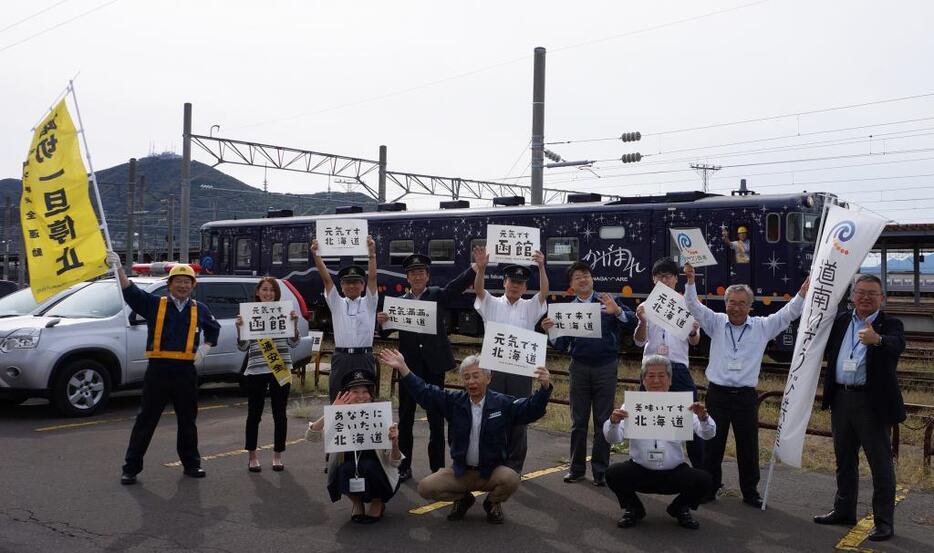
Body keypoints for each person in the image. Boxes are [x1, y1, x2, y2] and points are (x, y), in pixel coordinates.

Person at [683, 262, 809, 508]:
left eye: (742, 303)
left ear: (750, 306)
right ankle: (709, 488)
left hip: (745, 397)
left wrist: (802, 294)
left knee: (748, 446)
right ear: (725, 302)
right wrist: (690, 282)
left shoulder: (762, 326)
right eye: (732, 302)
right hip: (717, 395)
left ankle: (750, 491)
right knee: (713, 445)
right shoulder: (716, 322)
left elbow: (788, 314)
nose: (736, 307)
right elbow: (692, 306)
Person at [379, 349, 552, 524]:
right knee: (425, 488)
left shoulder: (502, 403)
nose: (471, 381)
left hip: (491, 472)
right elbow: (425, 393)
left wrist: (544, 388)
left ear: (488, 378)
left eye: (476, 376)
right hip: (461, 472)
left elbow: (530, 409)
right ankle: (463, 498)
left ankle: (492, 502)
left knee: (511, 479)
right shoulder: (454, 402)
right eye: (467, 377)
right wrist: (403, 367)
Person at [107, 251, 221, 485]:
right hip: (158, 370)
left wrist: (205, 349)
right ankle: (130, 468)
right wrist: (118, 268)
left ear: (193, 286)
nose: (182, 285)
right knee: (146, 419)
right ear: (170, 284)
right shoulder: (154, 304)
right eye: (178, 281)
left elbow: (214, 329)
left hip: (186, 371)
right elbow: (130, 292)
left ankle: (192, 464)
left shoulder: (200, 309)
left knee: (188, 420)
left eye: (187, 282)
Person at [813, 274, 906, 542]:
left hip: (872, 404)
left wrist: (878, 340)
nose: (865, 297)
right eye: (860, 292)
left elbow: (898, 344)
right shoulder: (842, 320)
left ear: (882, 298)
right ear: (852, 296)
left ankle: (884, 522)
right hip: (842, 399)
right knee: (844, 460)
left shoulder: (890, 324)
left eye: (872, 293)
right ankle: (843, 510)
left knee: (880, 465)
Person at [376, 252, 478, 482]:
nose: (417, 276)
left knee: (435, 418)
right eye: (413, 273)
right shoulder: (398, 302)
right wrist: (381, 322)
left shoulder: (437, 295)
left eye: (421, 272)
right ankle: (404, 465)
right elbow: (385, 331)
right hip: (408, 367)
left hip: (434, 365)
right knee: (406, 417)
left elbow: (457, 286)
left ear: (427, 276)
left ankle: (437, 468)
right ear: (408, 278)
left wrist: (475, 268)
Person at [540, 260, 636, 487]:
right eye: (577, 277)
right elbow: (562, 346)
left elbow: (633, 322)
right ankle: (576, 469)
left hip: (606, 366)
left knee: (604, 420)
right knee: (578, 420)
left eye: (586, 275)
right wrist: (550, 331)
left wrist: (619, 311)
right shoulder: (567, 310)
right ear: (571, 285)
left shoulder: (607, 301)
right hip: (579, 367)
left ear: (592, 279)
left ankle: (601, 471)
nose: (583, 279)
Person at [604, 355, 716, 530]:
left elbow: (708, 433)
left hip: (673, 472)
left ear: (670, 380)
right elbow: (613, 438)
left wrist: (703, 417)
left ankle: (679, 508)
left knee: (705, 480)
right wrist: (613, 421)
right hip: (640, 470)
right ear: (643, 380)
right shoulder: (633, 405)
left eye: (662, 376)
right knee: (613, 473)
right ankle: (634, 508)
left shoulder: (681, 406)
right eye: (651, 376)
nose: (656, 380)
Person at [472, 245, 548, 473]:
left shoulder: (530, 306)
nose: (515, 285)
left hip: (521, 370)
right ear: (504, 282)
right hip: (492, 370)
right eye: (511, 281)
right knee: (492, 416)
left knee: (519, 418)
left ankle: (514, 468)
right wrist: (481, 269)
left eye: (520, 282)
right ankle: (492, 463)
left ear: (525, 286)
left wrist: (542, 266)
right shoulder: (492, 303)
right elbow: (478, 291)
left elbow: (544, 292)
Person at [305, 370, 402, 524]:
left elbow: (395, 462)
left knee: (369, 466)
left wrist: (395, 443)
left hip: (378, 473)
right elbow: (312, 436)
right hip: (351, 469)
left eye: (365, 391)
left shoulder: (380, 416)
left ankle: (378, 502)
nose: (361, 396)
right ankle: (357, 502)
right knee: (344, 469)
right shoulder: (340, 416)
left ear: (371, 394)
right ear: (346, 394)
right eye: (355, 392)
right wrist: (331, 411)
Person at [633, 257, 704, 468]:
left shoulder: (689, 304)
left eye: (668, 276)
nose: (664, 279)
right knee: (646, 418)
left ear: (675, 279)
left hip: (678, 367)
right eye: (660, 276)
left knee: (691, 419)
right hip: (651, 366)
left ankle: (701, 472)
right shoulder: (645, 306)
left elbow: (695, 340)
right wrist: (643, 321)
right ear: (654, 280)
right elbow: (638, 341)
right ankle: (645, 464)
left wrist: (692, 330)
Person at [235, 277, 301, 473]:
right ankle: (252, 456)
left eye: (272, 290)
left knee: (280, 414)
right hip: (256, 369)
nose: (268, 293)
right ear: (258, 292)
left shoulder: (283, 312)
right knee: (254, 414)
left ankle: (277, 454)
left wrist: (294, 324)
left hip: (280, 368)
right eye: (264, 290)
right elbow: (242, 347)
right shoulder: (249, 313)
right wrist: (240, 328)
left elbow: (293, 343)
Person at [310, 235, 379, 401]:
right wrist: (316, 256)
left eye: (356, 282)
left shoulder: (370, 302)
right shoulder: (336, 303)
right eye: (347, 283)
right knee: (338, 400)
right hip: (342, 358)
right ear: (341, 286)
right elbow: (326, 279)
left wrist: (371, 254)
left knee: (366, 402)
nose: (352, 285)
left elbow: (373, 278)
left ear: (363, 286)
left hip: (365, 357)